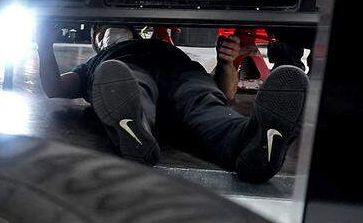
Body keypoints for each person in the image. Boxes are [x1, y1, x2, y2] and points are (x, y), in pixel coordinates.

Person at [37, 25, 309, 183]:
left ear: (132, 30)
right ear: (97, 43)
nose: (102, 35)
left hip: (182, 74)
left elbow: (225, 94)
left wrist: (226, 63)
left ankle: (254, 146)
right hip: (129, 73)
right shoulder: (97, 64)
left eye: (105, 29)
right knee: (131, 86)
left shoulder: (161, 46)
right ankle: (136, 132)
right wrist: (44, 47)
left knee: (207, 105)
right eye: (99, 33)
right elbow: (55, 88)